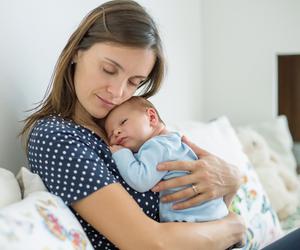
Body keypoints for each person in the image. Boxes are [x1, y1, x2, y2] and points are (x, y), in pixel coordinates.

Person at [20, 1, 246, 249]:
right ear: (77, 51)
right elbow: (149, 243)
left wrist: (233, 178)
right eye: (108, 69)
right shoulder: (56, 137)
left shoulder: (131, 128)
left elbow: (199, 209)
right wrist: (235, 227)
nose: (117, 92)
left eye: (133, 82)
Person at [105, 96, 230, 223]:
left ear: (151, 118)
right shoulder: (170, 142)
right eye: (110, 134)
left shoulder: (158, 145)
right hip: (212, 216)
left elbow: (141, 180)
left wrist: (121, 154)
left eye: (123, 122)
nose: (116, 132)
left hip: (195, 219)